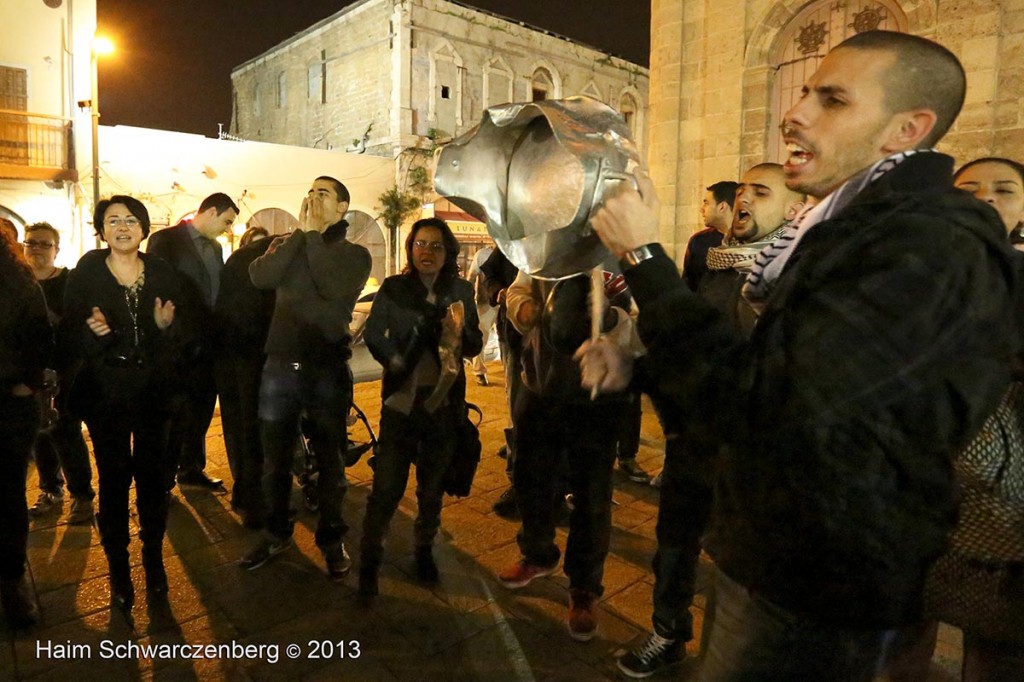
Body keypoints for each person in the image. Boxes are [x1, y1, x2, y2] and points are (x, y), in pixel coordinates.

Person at [580, 31, 1018, 679]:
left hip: (822, 581)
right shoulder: (845, 227)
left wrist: (646, 260)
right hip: (770, 556)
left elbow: (778, 410)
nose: (796, 113)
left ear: (907, 128)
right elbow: (769, 373)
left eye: (833, 100)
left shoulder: (928, 241)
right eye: (806, 90)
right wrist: (639, 367)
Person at [617, 163, 803, 678]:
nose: (743, 199)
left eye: (760, 192)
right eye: (741, 190)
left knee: (741, 575)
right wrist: (632, 372)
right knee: (673, 547)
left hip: (747, 456)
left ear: (793, 210)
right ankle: (668, 632)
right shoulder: (716, 266)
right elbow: (687, 352)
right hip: (693, 443)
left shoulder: (791, 278)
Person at [498, 267, 638, 642]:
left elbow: (644, 323)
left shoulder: (624, 251)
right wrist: (526, 309)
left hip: (596, 398)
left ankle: (584, 588)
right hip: (540, 387)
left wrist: (611, 319)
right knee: (531, 481)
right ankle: (538, 554)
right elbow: (515, 292)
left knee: (592, 497)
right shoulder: (546, 251)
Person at [241, 176, 371, 581]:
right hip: (282, 363)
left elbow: (332, 285)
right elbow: (260, 276)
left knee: (330, 459)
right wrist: (301, 235)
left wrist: (312, 238)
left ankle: (332, 540)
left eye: (324, 193)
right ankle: (277, 532)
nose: (313, 198)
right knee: (275, 457)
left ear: (342, 208)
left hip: (325, 366)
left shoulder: (355, 254)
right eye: (311, 191)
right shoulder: (288, 243)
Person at [61, 196, 183, 613]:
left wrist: (164, 329)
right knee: (113, 478)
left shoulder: (164, 272)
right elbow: (68, 334)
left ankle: (153, 558)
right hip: (105, 393)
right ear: (101, 230)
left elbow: (183, 331)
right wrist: (93, 335)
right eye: (113, 220)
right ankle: (118, 566)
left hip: (153, 391)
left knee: (153, 476)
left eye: (131, 219)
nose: (123, 226)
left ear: (144, 228)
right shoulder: (86, 273)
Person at [358, 218, 482, 600]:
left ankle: (424, 549)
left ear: (449, 253)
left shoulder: (460, 290)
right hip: (401, 404)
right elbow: (375, 334)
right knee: (387, 487)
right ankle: (369, 560)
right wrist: (396, 358)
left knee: (431, 489)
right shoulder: (395, 288)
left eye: (436, 246)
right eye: (420, 244)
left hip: (443, 405)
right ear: (411, 248)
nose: (427, 252)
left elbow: (475, 344)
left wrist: (461, 334)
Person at [147, 192, 239, 491]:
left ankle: (191, 469)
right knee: (173, 412)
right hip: (178, 342)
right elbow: (159, 287)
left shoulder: (215, 248)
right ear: (210, 212)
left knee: (200, 409)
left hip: (209, 343)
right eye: (226, 221)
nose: (228, 229)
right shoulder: (166, 240)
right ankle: (162, 477)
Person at [22, 222, 96, 525]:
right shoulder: (18, 282)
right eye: (31, 243)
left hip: (66, 371)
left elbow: (79, 325)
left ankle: (83, 495)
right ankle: (50, 490)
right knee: (38, 433)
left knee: (66, 432)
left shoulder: (68, 281)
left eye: (44, 243)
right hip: (30, 371)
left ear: (56, 249)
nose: (37, 248)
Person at [0, 218, 52, 628]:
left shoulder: (17, 281)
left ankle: (12, 578)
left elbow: (38, 338)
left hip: (6, 403)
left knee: (6, 495)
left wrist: (25, 384)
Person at [214, 227, 275, 528]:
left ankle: (246, 492)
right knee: (255, 429)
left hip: (232, 354)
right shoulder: (262, 262)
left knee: (240, 427)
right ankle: (256, 498)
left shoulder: (237, 260)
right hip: (255, 357)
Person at [682, 181, 738, 292]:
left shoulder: (752, 240)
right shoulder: (698, 241)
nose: (701, 209)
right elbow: (689, 284)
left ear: (722, 207)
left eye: (706, 203)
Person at [463, 244, 495, 386]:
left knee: (506, 339)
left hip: (504, 301)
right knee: (482, 335)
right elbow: (471, 277)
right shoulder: (483, 254)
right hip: (486, 301)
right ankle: (479, 371)